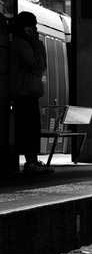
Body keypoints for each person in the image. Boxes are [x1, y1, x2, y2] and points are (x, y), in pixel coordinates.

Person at [9, 10, 54, 174]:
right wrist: (37, 42)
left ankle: (32, 161)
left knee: (31, 128)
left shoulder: (22, 42)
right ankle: (30, 163)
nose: (35, 30)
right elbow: (38, 63)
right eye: (33, 26)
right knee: (28, 129)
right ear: (27, 27)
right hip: (24, 92)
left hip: (27, 91)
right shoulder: (22, 43)